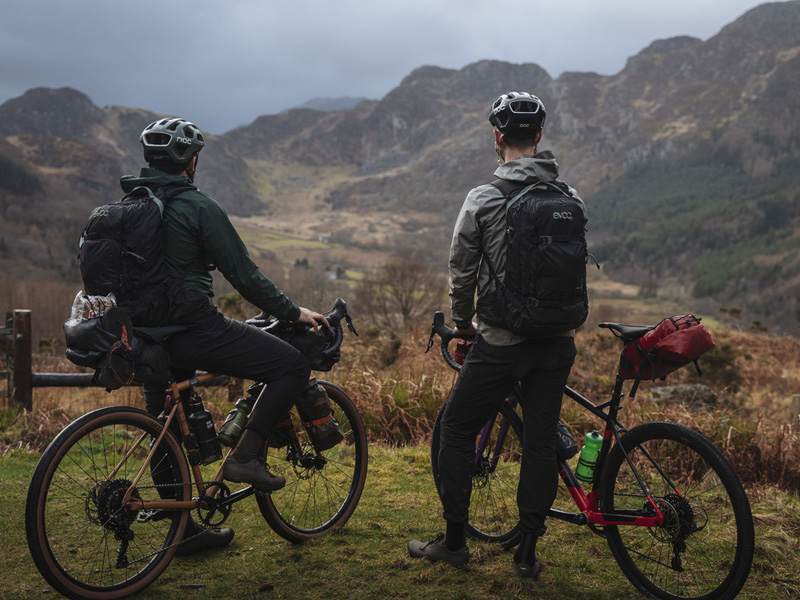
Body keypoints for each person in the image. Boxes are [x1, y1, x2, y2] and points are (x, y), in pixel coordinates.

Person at [124, 117, 328, 555]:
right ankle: (246, 458)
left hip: (144, 336)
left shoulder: (129, 205)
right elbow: (244, 274)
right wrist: (293, 312)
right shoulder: (198, 207)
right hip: (194, 329)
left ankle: (183, 532)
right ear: (191, 161)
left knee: (165, 422)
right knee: (291, 365)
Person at [408, 93, 584, 578]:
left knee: (457, 429)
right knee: (541, 441)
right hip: (558, 341)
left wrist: (463, 326)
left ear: (497, 137)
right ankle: (526, 554)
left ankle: (455, 542)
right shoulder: (569, 197)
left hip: (504, 342)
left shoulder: (483, 198)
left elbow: (461, 272)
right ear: (540, 137)